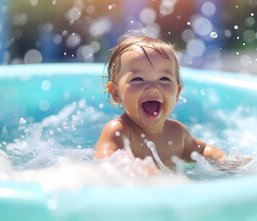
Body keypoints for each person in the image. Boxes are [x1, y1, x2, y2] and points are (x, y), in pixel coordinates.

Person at [95, 32, 226, 166]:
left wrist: (225, 161)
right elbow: (107, 163)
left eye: (164, 79)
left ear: (177, 93)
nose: (153, 88)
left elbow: (203, 150)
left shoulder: (177, 133)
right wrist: (146, 173)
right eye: (138, 79)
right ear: (116, 93)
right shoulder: (118, 130)